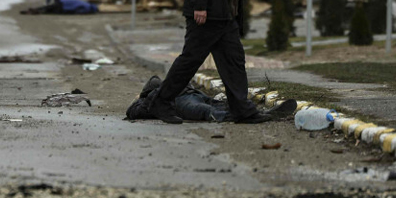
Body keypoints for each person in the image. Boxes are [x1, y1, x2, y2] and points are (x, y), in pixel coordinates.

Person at [125, 75, 294, 123]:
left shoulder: (164, 87)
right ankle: (238, 115)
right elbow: (132, 111)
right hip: (182, 103)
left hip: (194, 95)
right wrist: (147, 100)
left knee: (222, 104)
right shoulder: (148, 101)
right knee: (209, 112)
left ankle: (258, 112)